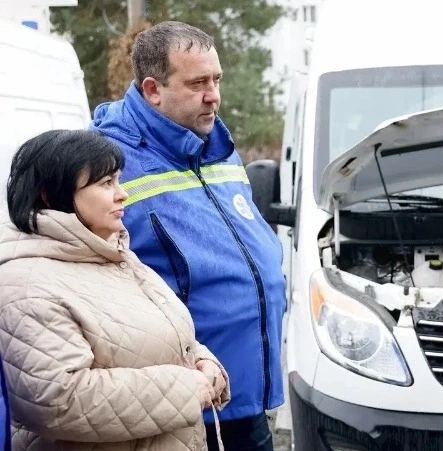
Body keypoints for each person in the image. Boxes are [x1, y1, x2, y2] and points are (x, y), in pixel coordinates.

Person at [89, 21, 287, 451]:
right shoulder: (108, 161)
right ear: (153, 89)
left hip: (245, 397)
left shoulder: (217, 144)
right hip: (181, 406)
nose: (213, 95)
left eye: (216, 80)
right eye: (197, 83)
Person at [0, 129, 230, 450]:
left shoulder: (111, 252)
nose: (122, 194)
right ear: (50, 196)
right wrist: (188, 389)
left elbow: (152, 335)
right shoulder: (27, 283)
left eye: (118, 180)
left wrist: (202, 361)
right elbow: (58, 400)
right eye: (106, 183)